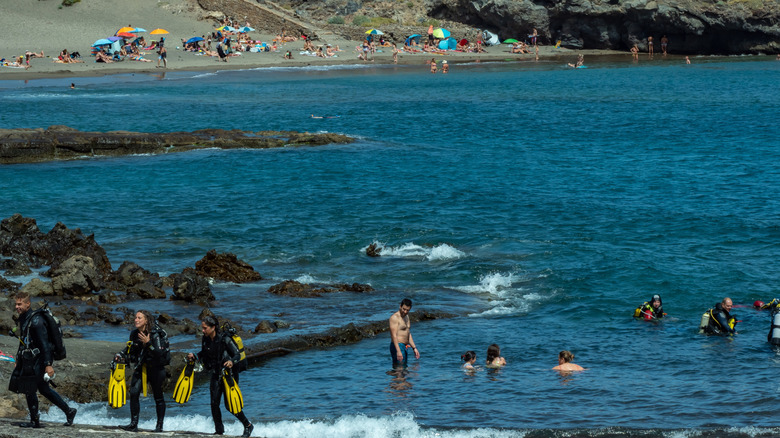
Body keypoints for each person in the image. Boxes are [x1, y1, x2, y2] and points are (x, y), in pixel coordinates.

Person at [9, 292, 77, 428]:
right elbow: (24, 341)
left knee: (30, 388)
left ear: (28, 304)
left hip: (39, 359)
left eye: (19, 304)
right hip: (29, 359)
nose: (17, 307)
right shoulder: (23, 318)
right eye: (16, 304)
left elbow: (45, 344)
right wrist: (18, 358)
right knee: (43, 389)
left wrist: (48, 365)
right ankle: (69, 411)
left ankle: (35, 420)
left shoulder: (36, 321)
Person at [187, 316, 253, 437]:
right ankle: (219, 431)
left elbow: (237, 355)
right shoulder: (205, 339)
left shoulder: (225, 339)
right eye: (202, 328)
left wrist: (231, 362)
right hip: (216, 373)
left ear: (213, 327)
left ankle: (248, 425)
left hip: (229, 375)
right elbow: (204, 354)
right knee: (214, 403)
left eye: (205, 328)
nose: (202, 330)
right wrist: (195, 356)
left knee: (230, 405)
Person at [117, 310, 169, 432]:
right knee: (134, 393)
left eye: (139, 318)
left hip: (156, 369)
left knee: (158, 397)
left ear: (146, 320)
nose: (136, 320)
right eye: (135, 317)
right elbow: (131, 349)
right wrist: (121, 354)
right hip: (141, 367)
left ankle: (159, 426)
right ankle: (134, 424)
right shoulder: (134, 334)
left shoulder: (155, 333)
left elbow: (159, 353)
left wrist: (148, 343)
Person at [389, 298, 420, 367]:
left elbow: (408, 333)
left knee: (404, 370)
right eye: (404, 309)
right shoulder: (394, 318)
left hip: (405, 347)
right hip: (397, 345)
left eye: (407, 310)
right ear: (400, 306)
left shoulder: (407, 317)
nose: (405, 311)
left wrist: (414, 348)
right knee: (400, 369)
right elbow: (393, 336)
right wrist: (398, 351)